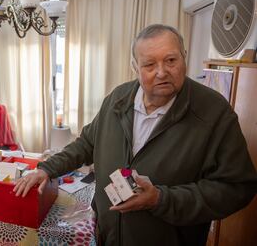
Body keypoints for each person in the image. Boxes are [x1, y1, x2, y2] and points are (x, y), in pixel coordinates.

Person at [14, 24, 257, 245]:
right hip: (109, 235)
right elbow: (86, 143)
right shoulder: (117, 98)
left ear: (184, 58)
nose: (161, 72)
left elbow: (237, 188)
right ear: (135, 68)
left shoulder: (213, 112)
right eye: (150, 65)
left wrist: (160, 199)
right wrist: (47, 169)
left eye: (171, 60)